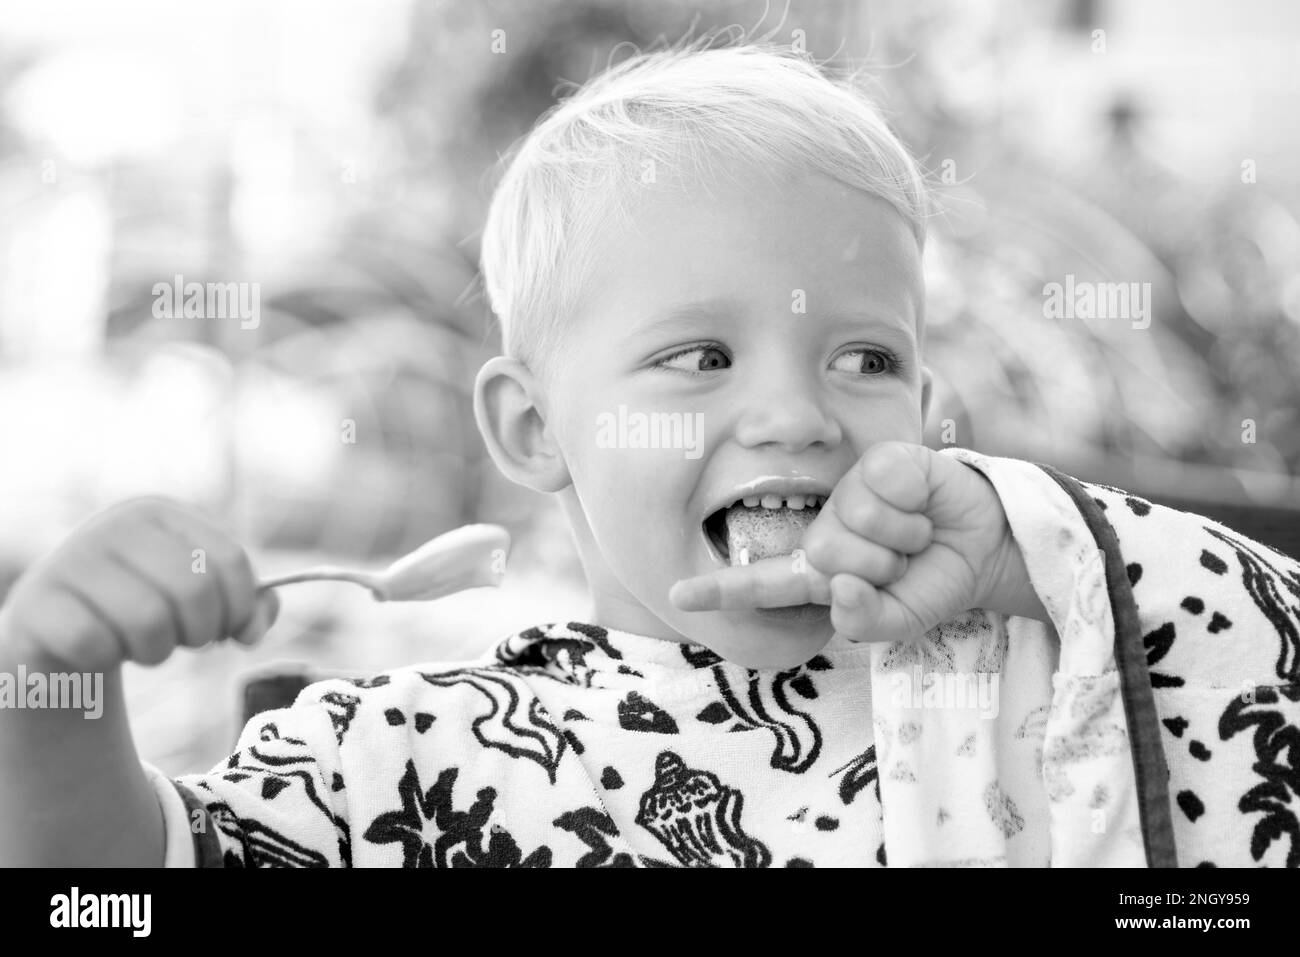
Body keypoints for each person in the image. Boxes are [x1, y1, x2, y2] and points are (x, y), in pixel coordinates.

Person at [2, 41, 1297, 868]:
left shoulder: (1057, 685)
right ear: (532, 428)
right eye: (701, 359)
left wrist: (1039, 549)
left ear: (937, 417)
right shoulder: (403, 753)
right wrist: (44, 691)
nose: (798, 413)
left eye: (867, 361)